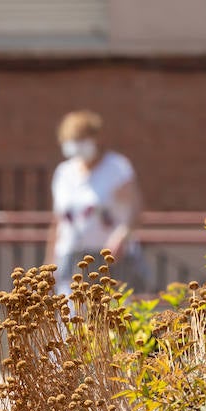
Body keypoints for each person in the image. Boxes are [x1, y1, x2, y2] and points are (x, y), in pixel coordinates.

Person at [47, 110, 145, 296]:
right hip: (71, 255)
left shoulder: (117, 168)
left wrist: (121, 237)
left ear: (95, 139)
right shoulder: (64, 172)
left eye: (80, 139)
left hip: (111, 258)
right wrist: (49, 266)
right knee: (71, 315)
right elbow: (57, 222)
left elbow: (135, 209)